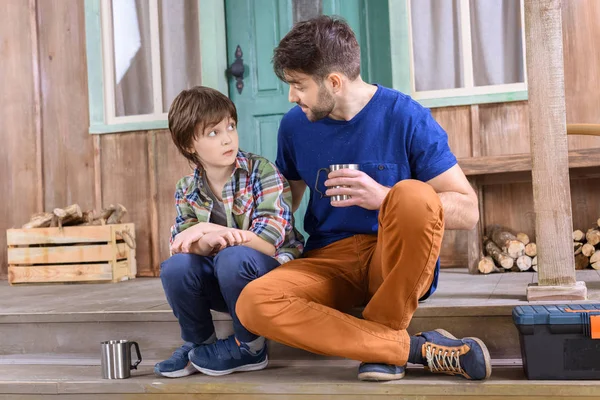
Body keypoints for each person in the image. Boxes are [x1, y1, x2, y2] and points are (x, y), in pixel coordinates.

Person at [227, 16, 490, 382]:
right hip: (328, 262)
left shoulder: (406, 116)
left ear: (334, 82)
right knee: (253, 303)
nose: (291, 96)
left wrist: (386, 197)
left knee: (414, 195)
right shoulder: (295, 126)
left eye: (298, 85)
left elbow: (468, 210)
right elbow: (283, 202)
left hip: (392, 259)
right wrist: (225, 226)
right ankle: (407, 348)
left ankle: (384, 335)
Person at [154, 86, 304, 378]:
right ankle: (199, 345)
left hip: (268, 278)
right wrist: (204, 241)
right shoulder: (187, 188)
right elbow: (183, 245)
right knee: (175, 267)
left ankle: (251, 345)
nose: (227, 138)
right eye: (213, 133)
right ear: (188, 145)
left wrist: (209, 229)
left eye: (231, 127)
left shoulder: (262, 171)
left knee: (234, 257)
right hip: (225, 284)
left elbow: (267, 245)